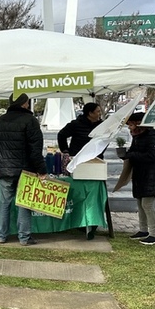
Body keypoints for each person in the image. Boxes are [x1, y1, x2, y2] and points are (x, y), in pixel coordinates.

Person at [0, 93, 47, 245]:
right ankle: (24, 237)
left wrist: (1, 167)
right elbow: (36, 150)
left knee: (4, 203)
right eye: (27, 102)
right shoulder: (30, 120)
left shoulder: (0, 120)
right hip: (25, 169)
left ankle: (1, 235)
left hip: (4, 169)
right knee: (24, 203)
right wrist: (41, 170)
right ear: (24, 103)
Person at [57, 102, 104, 240]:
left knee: (94, 194)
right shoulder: (76, 124)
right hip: (78, 162)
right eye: (97, 111)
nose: (99, 114)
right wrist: (66, 152)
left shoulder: (101, 125)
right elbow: (61, 135)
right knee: (78, 193)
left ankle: (92, 224)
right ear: (89, 113)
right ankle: (78, 221)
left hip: (95, 163)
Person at [122, 112, 155, 245]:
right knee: (140, 204)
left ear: (138, 123)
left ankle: (154, 235)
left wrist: (133, 155)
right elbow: (134, 151)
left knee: (147, 204)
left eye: (130, 125)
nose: (129, 128)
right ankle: (143, 230)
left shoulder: (152, 137)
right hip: (140, 175)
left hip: (151, 176)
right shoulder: (137, 136)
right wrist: (126, 155)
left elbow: (152, 156)